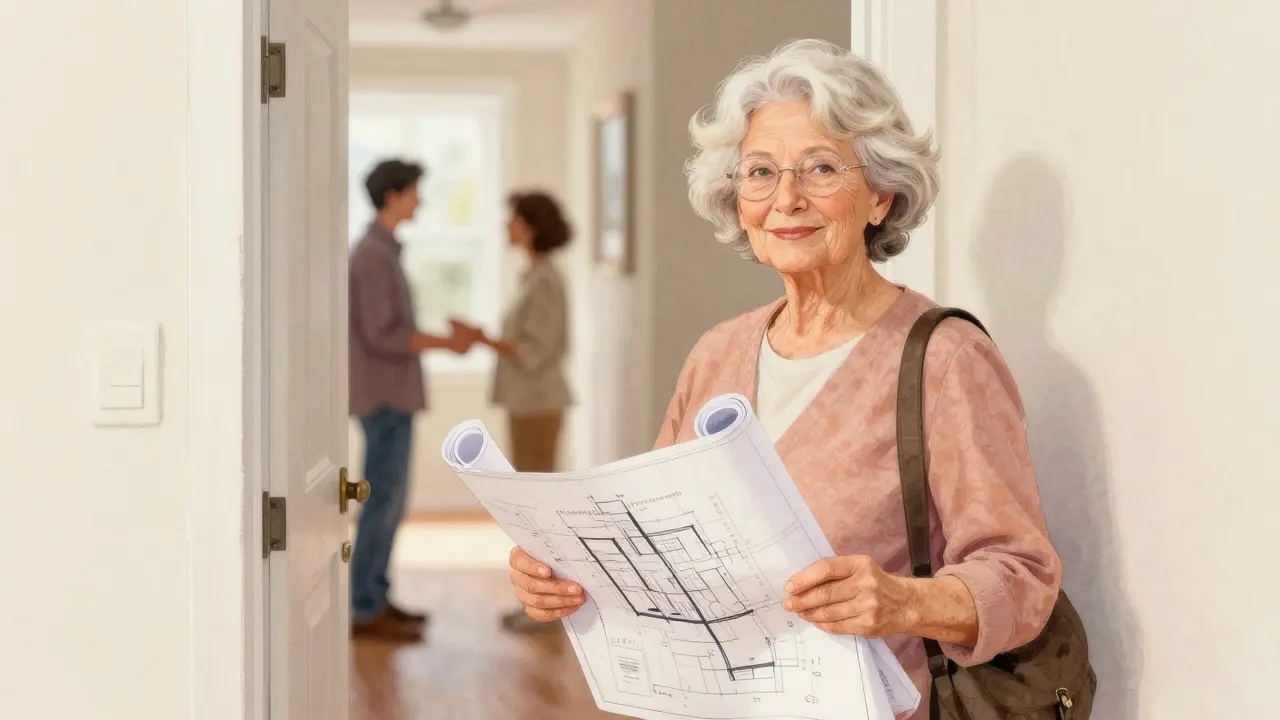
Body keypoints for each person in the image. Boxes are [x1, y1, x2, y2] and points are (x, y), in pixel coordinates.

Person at [502, 39, 1063, 717]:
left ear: (880, 195)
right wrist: (565, 576)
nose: (787, 198)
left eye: (821, 167)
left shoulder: (945, 359)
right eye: (761, 172)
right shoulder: (717, 353)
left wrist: (902, 601)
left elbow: (1022, 577)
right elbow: (649, 545)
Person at [349, 158, 477, 641]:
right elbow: (383, 335)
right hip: (384, 397)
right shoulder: (372, 256)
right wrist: (448, 343)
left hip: (390, 394)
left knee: (390, 501)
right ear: (394, 195)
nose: (421, 200)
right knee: (382, 502)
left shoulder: (381, 252)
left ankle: (376, 597)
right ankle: (364, 606)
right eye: (415, 191)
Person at [452, 191, 574, 633]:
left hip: (539, 402)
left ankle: (549, 607)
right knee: (533, 504)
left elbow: (536, 350)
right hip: (529, 403)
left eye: (514, 221)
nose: (507, 227)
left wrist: (482, 339)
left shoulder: (545, 280)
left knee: (537, 508)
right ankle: (543, 605)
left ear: (531, 227)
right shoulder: (535, 276)